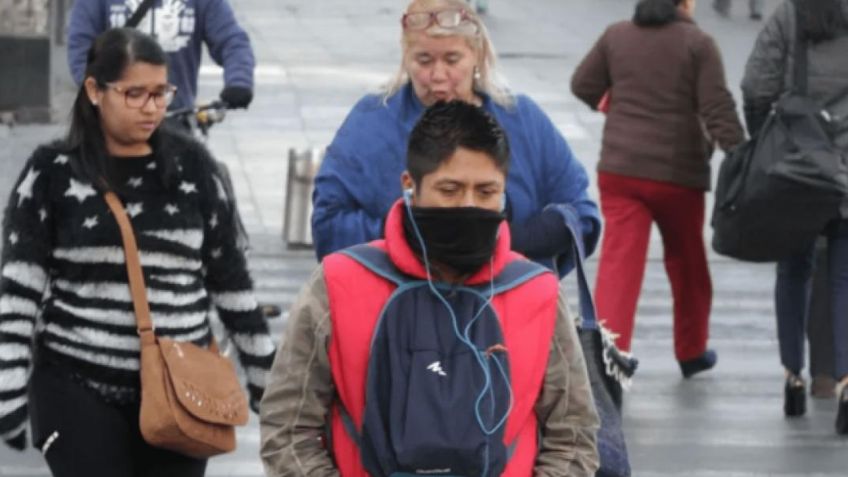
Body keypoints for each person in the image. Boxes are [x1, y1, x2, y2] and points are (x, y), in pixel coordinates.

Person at [260, 100, 599, 476]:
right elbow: (287, 426)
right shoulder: (338, 283)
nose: (468, 206)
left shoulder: (538, 293)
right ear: (410, 185)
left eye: (486, 192)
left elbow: (575, 433)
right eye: (450, 190)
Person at [0, 28, 274, 473]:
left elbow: (231, 282)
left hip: (182, 391)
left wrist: (266, 377)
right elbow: (18, 290)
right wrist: (9, 386)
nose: (152, 107)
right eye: (134, 94)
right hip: (77, 383)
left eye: (160, 92)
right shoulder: (50, 172)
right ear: (94, 90)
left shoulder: (194, 167)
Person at [311, 0, 601, 278]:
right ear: (406, 59)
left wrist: (507, 241)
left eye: (452, 59)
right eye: (424, 60)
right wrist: (416, 238)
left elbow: (581, 216)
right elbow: (328, 222)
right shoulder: (371, 122)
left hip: (507, 306)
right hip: (395, 304)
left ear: (477, 55)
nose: (438, 75)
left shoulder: (523, 119)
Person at [571, 0, 744, 378]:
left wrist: (612, 106)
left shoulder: (616, 35)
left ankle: (607, 354)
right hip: (677, 175)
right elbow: (716, 105)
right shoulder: (698, 43)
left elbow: (582, 83)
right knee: (687, 263)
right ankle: (691, 350)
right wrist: (741, 152)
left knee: (620, 263)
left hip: (620, 170)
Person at [741, 0, 848, 432]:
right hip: (844, 171)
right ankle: (845, 382)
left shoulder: (788, 16)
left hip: (797, 168)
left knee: (793, 270)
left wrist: (763, 137)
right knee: (843, 279)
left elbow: (755, 85)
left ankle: (793, 378)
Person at [67, 0, 255, 114]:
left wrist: (238, 82)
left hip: (176, 112)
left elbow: (231, 40)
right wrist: (94, 88)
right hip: (117, 113)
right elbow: (82, 44)